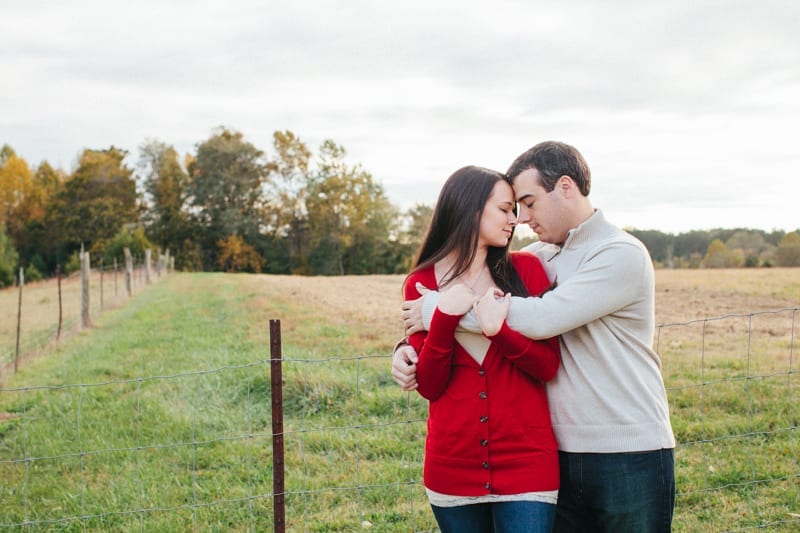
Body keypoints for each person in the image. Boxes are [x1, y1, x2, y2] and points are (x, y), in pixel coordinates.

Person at [394, 141, 676, 532]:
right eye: (513, 208)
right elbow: (468, 285)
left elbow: (541, 318)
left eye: (527, 203)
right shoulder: (541, 256)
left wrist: (438, 312)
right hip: (560, 449)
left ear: (564, 187)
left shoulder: (619, 253)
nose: (522, 219)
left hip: (625, 448)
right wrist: (407, 346)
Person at [403, 165, 562, 532]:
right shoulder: (421, 283)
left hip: (528, 465)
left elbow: (547, 366)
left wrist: (497, 332)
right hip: (451, 468)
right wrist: (443, 316)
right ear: (471, 210)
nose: (515, 219)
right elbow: (430, 385)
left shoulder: (526, 270)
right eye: (505, 209)